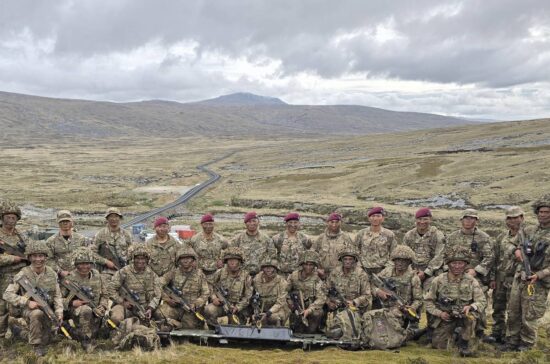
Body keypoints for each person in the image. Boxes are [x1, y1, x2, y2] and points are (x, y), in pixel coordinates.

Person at [3, 241, 63, 356]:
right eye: (34, 256)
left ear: (45, 257)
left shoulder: (52, 273)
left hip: (46, 309)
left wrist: (59, 312)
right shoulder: (22, 274)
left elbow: (57, 295)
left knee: (48, 338)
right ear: (29, 258)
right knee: (36, 314)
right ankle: (36, 346)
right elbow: (7, 294)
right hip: (27, 310)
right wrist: (27, 301)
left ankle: (19, 332)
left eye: (41, 256)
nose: (38, 259)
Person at [507, 196, 550, 351]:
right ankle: (512, 342)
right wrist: (517, 251)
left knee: (530, 315)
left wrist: (540, 275)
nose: (543, 215)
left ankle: (526, 346)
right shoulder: (528, 230)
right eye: (541, 211)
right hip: (521, 277)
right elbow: (514, 244)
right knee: (513, 311)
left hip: (538, 282)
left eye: (547, 212)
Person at [424, 250, 487, 357]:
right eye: (454, 263)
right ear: (448, 264)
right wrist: (440, 313)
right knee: (439, 345)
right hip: (446, 317)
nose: (457, 266)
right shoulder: (438, 280)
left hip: (465, 317)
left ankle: (464, 344)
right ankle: (449, 334)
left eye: (460, 263)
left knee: (469, 319)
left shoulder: (471, 281)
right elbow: (428, 301)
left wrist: (471, 307)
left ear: (465, 265)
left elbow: (481, 301)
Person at [444, 208, 494, 338]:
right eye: (466, 218)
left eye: (472, 218)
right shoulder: (452, 237)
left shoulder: (484, 237)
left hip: (475, 276)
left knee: (479, 300)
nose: (468, 220)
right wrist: (450, 270)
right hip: (454, 273)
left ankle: (479, 330)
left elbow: (489, 257)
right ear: (461, 220)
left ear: (476, 220)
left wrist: (476, 271)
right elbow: (445, 255)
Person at [487, 206, 525, 344]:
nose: (512, 221)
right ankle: (497, 333)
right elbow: (494, 258)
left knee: (514, 310)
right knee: (498, 307)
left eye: (515, 217)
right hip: (500, 277)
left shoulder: (527, 235)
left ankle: (511, 337)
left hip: (517, 279)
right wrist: (492, 277)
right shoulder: (501, 237)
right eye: (509, 218)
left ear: (522, 218)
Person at [61, 249, 109, 351]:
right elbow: (57, 300)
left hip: (96, 309)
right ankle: (86, 341)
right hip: (77, 310)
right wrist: (71, 302)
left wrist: (103, 306)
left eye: (88, 264)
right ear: (76, 264)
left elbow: (105, 294)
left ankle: (69, 330)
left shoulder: (97, 275)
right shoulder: (69, 279)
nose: (85, 267)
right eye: (81, 264)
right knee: (85, 310)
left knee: (99, 331)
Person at [108, 244, 161, 326]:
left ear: (147, 260)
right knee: (116, 317)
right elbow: (111, 288)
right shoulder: (124, 272)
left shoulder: (152, 275)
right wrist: (122, 302)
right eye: (138, 258)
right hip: (125, 307)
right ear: (133, 259)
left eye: (143, 259)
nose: (140, 261)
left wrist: (151, 308)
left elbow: (157, 295)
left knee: (161, 316)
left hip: (145, 309)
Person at [158, 246, 210, 330]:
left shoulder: (200, 274)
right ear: (179, 260)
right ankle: (170, 324)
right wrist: (167, 299)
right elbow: (158, 284)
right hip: (174, 307)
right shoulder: (173, 272)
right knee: (159, 313)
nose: (185, 260)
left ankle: (174, 324)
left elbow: (206, 292)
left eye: (188, 258)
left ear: (193, 260)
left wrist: (196, 303)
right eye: (183, 258)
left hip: (190, 308)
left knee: (190, 327)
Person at [372, 245, 422, 330]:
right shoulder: (387, 272)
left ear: (409, 262)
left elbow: (419, 299)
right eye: (398, 260)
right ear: (394, 261)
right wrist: (378, 292)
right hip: (384, 307)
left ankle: (412, 328)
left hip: (402, 311)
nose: (400, 263)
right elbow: (372, 283)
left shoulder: (413, 277)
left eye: (404, 261)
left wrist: (412, 308)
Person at [0, 200, 30, 342]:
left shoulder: (21, 236)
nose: (11, 219)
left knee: (20, 305)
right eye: (8, 216)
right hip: (3, 275)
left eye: (14, 217)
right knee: (2, 308)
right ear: (2, 217)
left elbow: (29, 251)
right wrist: (13, 259)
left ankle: (17, 334)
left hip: (21, 275)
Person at [46, 210, 108, 278]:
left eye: (67, 221)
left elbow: (89, 255)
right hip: (59, 276)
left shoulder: (81, 239)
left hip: (80, 274)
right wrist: (60, 271)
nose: (65, 223)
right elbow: (48, 260)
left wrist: (105, 262)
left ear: (72, 222)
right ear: (58, 223)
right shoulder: (50, 241)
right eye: (62, 221)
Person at [204, 247, 252, 326]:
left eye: (235, 260)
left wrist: (238, 307)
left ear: (240, 261)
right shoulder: (220, 272)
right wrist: (214, 298)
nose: (232, 262)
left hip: (239, 308)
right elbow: (209, 285)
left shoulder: (246, 276)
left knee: (235, 331)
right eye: (230, 260)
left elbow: (248, 296)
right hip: (222, 305)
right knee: (208, 310)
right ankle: (215, 332)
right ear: (226, 261)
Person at [402, 207, 445, 291]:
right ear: (415, 220)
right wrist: (411, 271)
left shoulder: (438, 235)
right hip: (412, 270)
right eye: (419, 219)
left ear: (430, 220)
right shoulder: (409, 235)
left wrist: (426, 273)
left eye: (425, 219)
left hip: (431, 272)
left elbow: (439, 256)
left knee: (431, 287)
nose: (422, 222)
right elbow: (404, 254)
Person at [286, 250, 327, 334]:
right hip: (295, 307)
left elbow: (321, 298)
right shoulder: (293, 276)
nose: (308, 267)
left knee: (318, 314)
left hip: (310, 306)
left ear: (314, 266)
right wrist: (289, 302)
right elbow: (285, 291)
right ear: (302, 265)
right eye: (306, 264)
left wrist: (309, 310)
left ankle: (313, 329)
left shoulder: (316, 278)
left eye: (311, 265)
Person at [229, 212, 277, 276]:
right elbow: (231, 257)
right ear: (245, 223)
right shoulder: (237, 239)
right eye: (249, 221)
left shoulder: (266, 239)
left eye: (254, 221)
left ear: (258, 222)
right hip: (242, 275)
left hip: (261, 275)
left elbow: (272, 256)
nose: (252, 223)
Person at [187, 214, 228, 283]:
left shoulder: (220, 239)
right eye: (206, 224)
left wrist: (222, 259)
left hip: (216, 271)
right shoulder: (194, 239)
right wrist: (192, 261)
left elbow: (230, 249)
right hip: (199, 271)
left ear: (213, 225)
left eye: (210, 224)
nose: (208, 226)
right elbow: (186, 251)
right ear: (202, 225)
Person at [356, 206, 397, 275]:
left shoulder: (389, 235)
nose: (375, 219)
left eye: (378, 216)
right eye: (373, 216)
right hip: (364, 270)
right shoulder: (361, 233)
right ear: (369, 218)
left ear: (383, 218)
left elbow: (394, 254)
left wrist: (388, 269)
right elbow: (355, 250)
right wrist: (358, 267)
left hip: (383, 270)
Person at [313, 212, 355, 279]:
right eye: (332, 222)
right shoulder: (321, 238)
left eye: (336, 222)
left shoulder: (346, 238)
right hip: (322, 275)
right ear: (327, 223)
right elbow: (312, 255)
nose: (334, 224)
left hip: (340, 275)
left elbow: (354, 256)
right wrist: (317, 269)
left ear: (340, 223)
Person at [92, 207, 132, 276]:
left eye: (116, 216)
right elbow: (92, 253)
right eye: (111, 216)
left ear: (120, 218)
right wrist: (105, 262)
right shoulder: (101, 234)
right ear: (107, 219)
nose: (114, 219)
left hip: (124, 271)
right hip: (106, 272)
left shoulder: (126, 234)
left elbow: (132, 252)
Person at [272, 212, 313, 277]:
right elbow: (271, 256)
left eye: (295, 222)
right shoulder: (277, 238)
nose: (293, 225)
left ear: (299, 224)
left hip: (299, 275)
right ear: (286, 224)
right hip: (282, 275)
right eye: (290, 222)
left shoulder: (305, 239)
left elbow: (310, 255)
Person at [251, 258, 289, 326]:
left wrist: (268, 313)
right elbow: (254, 297)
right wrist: (256, 311)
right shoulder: (256, 280)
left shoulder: (282, 282)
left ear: (275, 269)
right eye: (266, 267)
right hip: (262, 309)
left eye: (271, 267)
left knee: (275, 318)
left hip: (277, 309)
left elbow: (281, 302)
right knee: (256, 319)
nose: (268, 269)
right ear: (262, 269)